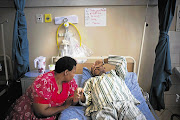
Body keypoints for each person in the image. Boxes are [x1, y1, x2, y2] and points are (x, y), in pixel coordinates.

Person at [5, 56, 83, 120]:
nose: (74, 75)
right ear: (66, 72)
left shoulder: (70, 82)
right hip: (28, 115)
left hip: (51, 114)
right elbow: (40, 113)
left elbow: (71, 100)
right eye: (74, 71)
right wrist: (64, 107)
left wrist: (75, 98)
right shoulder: (44, 82)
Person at [78, 56, 147, 120]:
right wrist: (81, 96)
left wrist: (103, 61)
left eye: (97, 66)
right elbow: (87, 99)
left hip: (124, 104)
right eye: (93, 68)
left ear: (104, 68)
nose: (95, 67)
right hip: (102, 108)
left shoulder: (116, 74)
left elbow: (121, 61)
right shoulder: (90, 81)